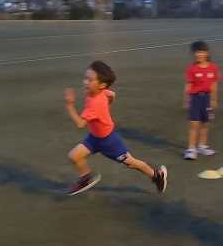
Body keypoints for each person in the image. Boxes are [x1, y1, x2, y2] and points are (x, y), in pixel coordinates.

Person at [64, 60, 168, 196]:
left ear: (101, 85)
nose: (85, 82)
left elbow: (80, 124)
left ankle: (157, 175)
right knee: (74, 156)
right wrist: (107, 106)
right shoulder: (100, 92)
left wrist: (70, 105)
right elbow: (112, 95)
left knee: (131, 163)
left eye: (90, 80)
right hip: (94, 138)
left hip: (109, 142)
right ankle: (86, 178)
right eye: (85, 78)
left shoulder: (95, 103)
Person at [183, 40, 221, 160]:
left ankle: (202, 146)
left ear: (207, 53)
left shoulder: (213, 68)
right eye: (196, 52)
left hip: (207, 98)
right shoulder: (192, 69)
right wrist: (187, 100)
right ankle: (191, 149)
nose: (198, 54)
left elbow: (214, 84)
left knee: (205, 123)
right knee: (194, 124)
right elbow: (188, 85)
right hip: (195, 98)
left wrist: (214, 100)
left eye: (201, 52)